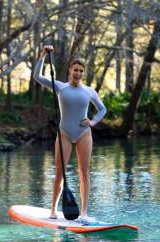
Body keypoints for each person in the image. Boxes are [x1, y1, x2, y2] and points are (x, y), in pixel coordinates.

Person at [34, 45, 107, 223]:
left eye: (81, 71)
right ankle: (53, 210)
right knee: (59, 172)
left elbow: (102, 109)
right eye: (76, 70)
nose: (78, 73)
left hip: (84, 134)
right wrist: (43, 56)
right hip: (64, 133)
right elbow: (37, 77)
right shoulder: (59, 87)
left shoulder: (89, 91)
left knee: (84, 172)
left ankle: (83, 212)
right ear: (70, 71)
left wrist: (93, 121)